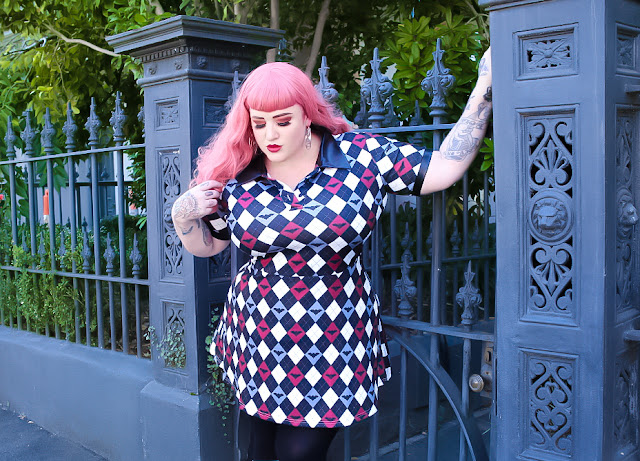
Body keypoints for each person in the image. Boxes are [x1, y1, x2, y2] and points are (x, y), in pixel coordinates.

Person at [171, 48, 492, 461]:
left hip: (333, 331)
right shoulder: (240, 171)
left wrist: (485, 86)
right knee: (257, 448)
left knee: (299, 452)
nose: (270, 135)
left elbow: (444, 168)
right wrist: (183, 215)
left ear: (307, 115)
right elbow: (209, 245)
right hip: (260, 328)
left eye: (283, 121)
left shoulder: (360, 156)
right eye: (259, 123)